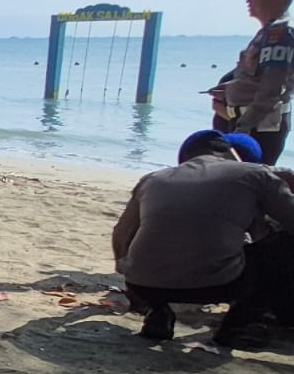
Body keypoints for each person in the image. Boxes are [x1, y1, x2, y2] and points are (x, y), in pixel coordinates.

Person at [114, 130, 294, 347]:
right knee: (284, 246)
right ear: (229, 153)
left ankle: (159, 312)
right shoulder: (255, 174)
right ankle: (235, 326)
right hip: (218, 285)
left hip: (143, 285)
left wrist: (124, 267)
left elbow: (121, 234)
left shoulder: (153, 178)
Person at [209, 0, 294, 165]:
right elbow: (254, 78)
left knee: (244, 183)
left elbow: (271, 89)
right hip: (242, 122)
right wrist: (229, 89)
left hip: (258, 128)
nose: (249, 1)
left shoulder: (281, 34)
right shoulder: (267, 32)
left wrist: (243, 129)